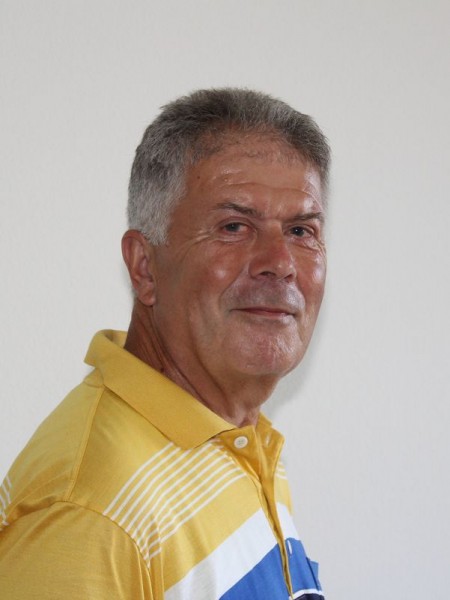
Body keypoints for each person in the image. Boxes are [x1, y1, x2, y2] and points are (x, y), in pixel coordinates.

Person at [0, 88, 330, 599]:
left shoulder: (241, 439)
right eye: (234, 226)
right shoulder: (91, 512)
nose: (280, 263)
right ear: (144, 267)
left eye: (301, 230)